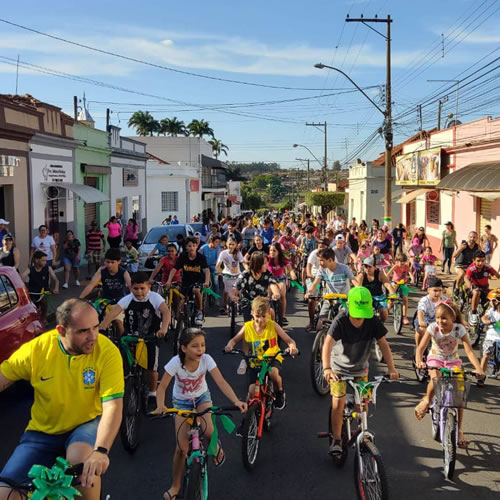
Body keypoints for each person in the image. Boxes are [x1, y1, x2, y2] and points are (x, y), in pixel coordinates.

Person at [0, 299, 124, 500]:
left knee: (80, 462)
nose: (93, 336)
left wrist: (101, 451)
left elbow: (112, 406)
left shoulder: (107, 351)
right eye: (83, 331)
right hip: (42, 431)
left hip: (86, 422)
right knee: (6, 493)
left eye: (95, 327)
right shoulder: (37, 349)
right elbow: (3, 378)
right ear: (61, 330)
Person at [154, 328, 246, 500]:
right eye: (195, 346)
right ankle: (175, 486)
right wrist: (161, 405)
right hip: (181, 402)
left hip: (202, 397)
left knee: (209, 431)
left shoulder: (206, 360)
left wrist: (236, 401)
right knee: (181, 449)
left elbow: (221, 381)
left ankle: (216, 447)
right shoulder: (175, 363)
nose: (200, 350)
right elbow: (162, 387)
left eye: (202, 345)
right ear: (183, 348)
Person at [322, 286, 399, 456]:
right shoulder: (340, 320)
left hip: (361, 368)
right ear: (348, 305)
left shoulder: (372, 321)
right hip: (339, 368)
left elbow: (383, 344)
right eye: (356, 315)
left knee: (364, 403)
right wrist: (327, 368)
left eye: (363, 315)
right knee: (337, 402)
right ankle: (336, 438)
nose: (359, 319)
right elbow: (327, 344)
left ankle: (361, 430)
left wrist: (391, 368)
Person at [415, 300, 484, 448]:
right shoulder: (433, 328)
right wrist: (419, 360)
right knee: (435, 379)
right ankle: (427, 399)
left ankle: (459, 430)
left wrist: (479, 368)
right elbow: (420, 348)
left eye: (444, 318)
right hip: (435, 358)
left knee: (458, 396)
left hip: (453, 362)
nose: (440, 321)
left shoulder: (459, 330)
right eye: (438, 318)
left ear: (453, 318)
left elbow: (469, 351)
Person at [100, 271, 170, 397]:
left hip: (151, 337)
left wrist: (163, 329)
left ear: (148, 287)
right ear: (130, 287)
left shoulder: (155, 298)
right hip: (131, 337)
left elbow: (165, 312)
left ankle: (153, 392)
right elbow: (113, 313)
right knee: (123, 360)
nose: (139, 292)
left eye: (142, 288)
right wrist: (103, 327)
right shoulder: (128, 299)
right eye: (135, 289)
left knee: (151, 367)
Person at [225, 297, 298, 413]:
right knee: (252, 391)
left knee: (273, 373)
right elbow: (234, 340)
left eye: (264, 316)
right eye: (257, 317)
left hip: (271, 357)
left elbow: (289, 340)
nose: (260, 320)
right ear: (252, 314)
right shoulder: (247, 327)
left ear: (269, 314)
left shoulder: (273, 325)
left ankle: (279, 391)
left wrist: (292, 347)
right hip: (255, 360)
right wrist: (229, 346)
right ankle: (248, 420)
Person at [80, 248, 131, 336]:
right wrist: (79, 299)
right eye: (107, 262)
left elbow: (131, 287)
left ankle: (121, 344)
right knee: (93, 320)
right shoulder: (101, 271)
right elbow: (91, 285)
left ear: (119, 261)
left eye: (112, 262)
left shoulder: (124, 272)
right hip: (104, 301)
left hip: (119, 302)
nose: (109, 265)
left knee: (118, 323)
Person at [305, 248, 356, 331]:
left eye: (322, 261)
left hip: (344, 300)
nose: (320, 263)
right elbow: (315, 283)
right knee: (319, 327)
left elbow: (354, 282)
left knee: (341, 322)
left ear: (330, 260)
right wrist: (309, 292)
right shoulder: (322, 270)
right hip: (329, 299)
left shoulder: (344, 268)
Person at [165, 236, 210, 326]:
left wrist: (206, 281)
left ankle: (199, 312)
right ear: (186, 247)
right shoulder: (183, 256)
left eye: (194, 245)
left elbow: (206, 270)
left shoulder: (201, 257)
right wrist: (169, 280)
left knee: (196, 290)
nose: (192, 248)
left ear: (197, 246)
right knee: (179, 294)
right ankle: (180, 315)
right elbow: (174, 269)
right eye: (189, 246)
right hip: (186, 281)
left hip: (198, 281)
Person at [21, 251, 59, 325]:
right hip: (32, 292)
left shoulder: (48, 268)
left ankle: (43, 318)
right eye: (43, 260)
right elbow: (22, 277)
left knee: (44, 303)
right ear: (36, 260)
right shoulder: (30, 269)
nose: (45, 262)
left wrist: (56, 288)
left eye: (45, 260)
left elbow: (55, 279)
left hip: (43, 291)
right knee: (32, 308)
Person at [355, 255, 395, 323]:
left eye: (369, 266)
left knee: (384, 314)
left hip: (379, 297)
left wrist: (392, 294)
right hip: (366, 297)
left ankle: (380, 326)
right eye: (365, 266)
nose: (367, 269)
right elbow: (357, 288)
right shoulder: (361, 276)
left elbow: (388, 285)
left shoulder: (380, 274)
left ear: (374, 267)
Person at [464, 250, 500, 325]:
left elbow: (497, 275)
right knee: (477, 292)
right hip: (473, 289)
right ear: (474, 260)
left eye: (483, 260)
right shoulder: (471, 268)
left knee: (496, 297)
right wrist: (470, 285)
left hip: (484, 289)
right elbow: (466, 278)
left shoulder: (487, 267)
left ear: (485, 260)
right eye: (478, 261)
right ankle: (473, 313)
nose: (480, 263)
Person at [304, 238, 330, 332]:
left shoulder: (330, 255)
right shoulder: (313, 254)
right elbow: (309, 266)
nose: (320, 249)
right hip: (313, 277)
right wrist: (309, 274)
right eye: (319, 247)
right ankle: (311, 322)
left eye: (322, 247)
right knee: (312, 299)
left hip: (326, 277)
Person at [267, 243, 296, 326]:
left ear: (278, 252)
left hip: (280, 279)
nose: (272, 252)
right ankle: (268, 313)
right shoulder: (267, 259)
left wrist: (292, 274)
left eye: (274, 251)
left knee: (282, 295)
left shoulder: (283, 260)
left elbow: (290, 269)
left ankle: (283, 316)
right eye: (270, 250)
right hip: (270, 279)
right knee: (268, 296)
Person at [414, 277, 447, 348]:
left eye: (440, 290)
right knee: (421, 330)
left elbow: (452, 309)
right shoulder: (424, 300)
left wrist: (461, 321)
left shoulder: (444, 299)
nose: (437, 293)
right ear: (428, 290)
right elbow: (420, 311)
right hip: (424, 320)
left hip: (437, 321)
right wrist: (421, 321)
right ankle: (419, 349)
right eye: (435, 290)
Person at [216, 237, 244, 315]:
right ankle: (225, 305)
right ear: (226, 244)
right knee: (226, 291)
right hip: (227, 275)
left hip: (237, 275)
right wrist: (218, 271)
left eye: (233, 244)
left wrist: (247, 270)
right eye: (229, 244)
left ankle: (239, 304)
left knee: (238, 290)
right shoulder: (223, 253)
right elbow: (218, 264)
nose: (231, 246)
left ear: (235, 245)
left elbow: (243, 262)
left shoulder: (238, 252)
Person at [478, 289, 500, 386]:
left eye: (491, 301)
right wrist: (486, 321)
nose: (490, 303)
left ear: (496, 302)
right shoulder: (491, 311)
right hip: (491, 337)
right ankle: (481, 376)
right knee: (486, 355)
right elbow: (484, 317)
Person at [387, 253, 410, 324]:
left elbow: (410, 273)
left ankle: (404, 317)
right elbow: (388, 273)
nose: (401, 263)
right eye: (400, 262)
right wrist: (387, 280)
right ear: (397, 261)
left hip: (403, 283)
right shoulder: (395, 266)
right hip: (395, 282)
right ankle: (390, 301)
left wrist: (412, 278)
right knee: (393, 290)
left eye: (403, 262)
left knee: (405, 299)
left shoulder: (406, 267)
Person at [199, 234, 222, 301]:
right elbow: (198, 257)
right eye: (216, 242)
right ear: (211, 241)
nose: (217, 244)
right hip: (204, 266)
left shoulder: (218, 249)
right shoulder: (203, 248)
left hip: (214, 266)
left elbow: (219, 260)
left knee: (215, 282)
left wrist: (217, 269)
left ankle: (217, 299)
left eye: (218, 242)